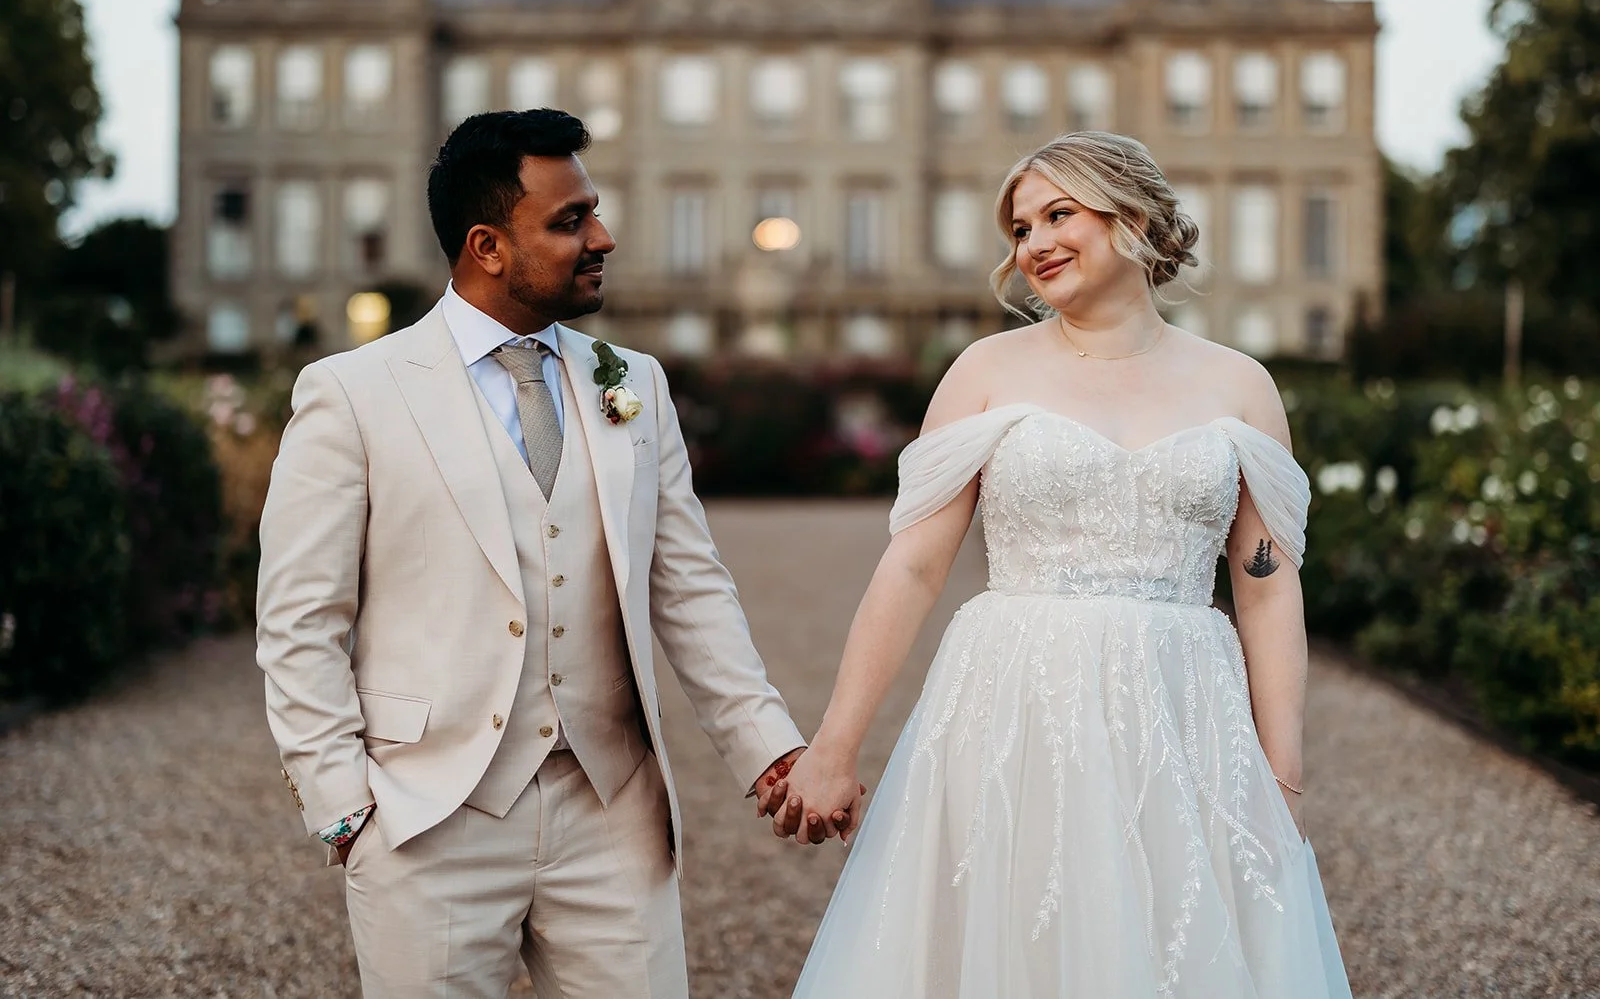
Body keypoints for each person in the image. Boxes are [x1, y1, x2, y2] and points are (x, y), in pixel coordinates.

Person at [772, 132, 1353, 997]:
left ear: (1134, 217)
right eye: (1019, 228)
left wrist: (1283, 778)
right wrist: (834, 744)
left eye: (1058, 214)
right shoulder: (984, 371)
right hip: (1012, 711)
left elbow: (1265, 590)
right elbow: (913, 569)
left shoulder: (1241, 385)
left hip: (1184, 713)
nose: (1033, 243)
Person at [255, 108, 812, 998]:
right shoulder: (352, 394)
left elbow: (690, 588)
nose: (603, 236)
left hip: (613, 811)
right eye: (569, 221)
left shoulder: (634, 383)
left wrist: (769, 749)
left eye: (592, 211)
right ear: (487, 245)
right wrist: (344, 810)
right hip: (426, 818)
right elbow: (300, 621)